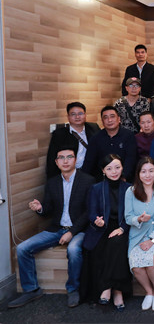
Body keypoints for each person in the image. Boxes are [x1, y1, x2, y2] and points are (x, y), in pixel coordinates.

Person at [9, 146, 95, 309]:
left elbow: (88, 212)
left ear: (75, 160)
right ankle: (31, 289)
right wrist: (40, 208)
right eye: (61, 158)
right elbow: (48, 209)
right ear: (56, 162)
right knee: (22, 248)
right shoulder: (52, 182)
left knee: (73, 250)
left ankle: (73, 289)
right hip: (56, 228)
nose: (65, 161)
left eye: (69, 157)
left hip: (79, 229)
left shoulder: (87, 180)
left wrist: (71, 232)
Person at [80, 154, 131, 311]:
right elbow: (91, 212)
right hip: (101, 228)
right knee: (99, 247)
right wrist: (97, 220)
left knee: (117, 244)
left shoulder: (129, 188)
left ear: (122, 168)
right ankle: (113, 289)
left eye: (117, 167)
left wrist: (122, 228)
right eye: (109, 169)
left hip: (122, 227)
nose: (114, 172)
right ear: (103, 170)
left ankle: (113, 290)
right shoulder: (96, 188)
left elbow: (131, 214)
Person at [125, 157, 154, 311]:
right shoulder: (130, 192)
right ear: (138, 174)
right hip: (138, 234)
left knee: (151, 259)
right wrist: (138, 219)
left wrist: (152, 241)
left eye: (151, 171)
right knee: (136, 263)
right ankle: (149, 292)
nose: (147, 175)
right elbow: (128, 217)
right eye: (143, 171)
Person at [82, 105, 137, 181]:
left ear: (119, 119)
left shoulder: (128, 136)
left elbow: (131, 159)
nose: (109, 120)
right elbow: (89, 162)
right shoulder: (95, 138)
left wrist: (123, 176)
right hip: (102, 180)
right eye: (105, 117)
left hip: (124, 178)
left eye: (112, 116)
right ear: (102, 121)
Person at [46, 102, 100, 179]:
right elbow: (51, 159)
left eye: (80, 113)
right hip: (70, 174)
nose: (77, 117)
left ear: (85, 115)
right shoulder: (59, 134)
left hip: (92, 173)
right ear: (68, 116)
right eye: (73, 114)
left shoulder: (94, 128)